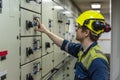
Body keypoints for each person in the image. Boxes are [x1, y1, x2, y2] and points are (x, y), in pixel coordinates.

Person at [35, 10, 111, 80]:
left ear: (86, 33)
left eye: (78, 27)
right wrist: (46, 31)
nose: (76, 30)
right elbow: (64, 44)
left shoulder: (98, 62)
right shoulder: (82, 50)